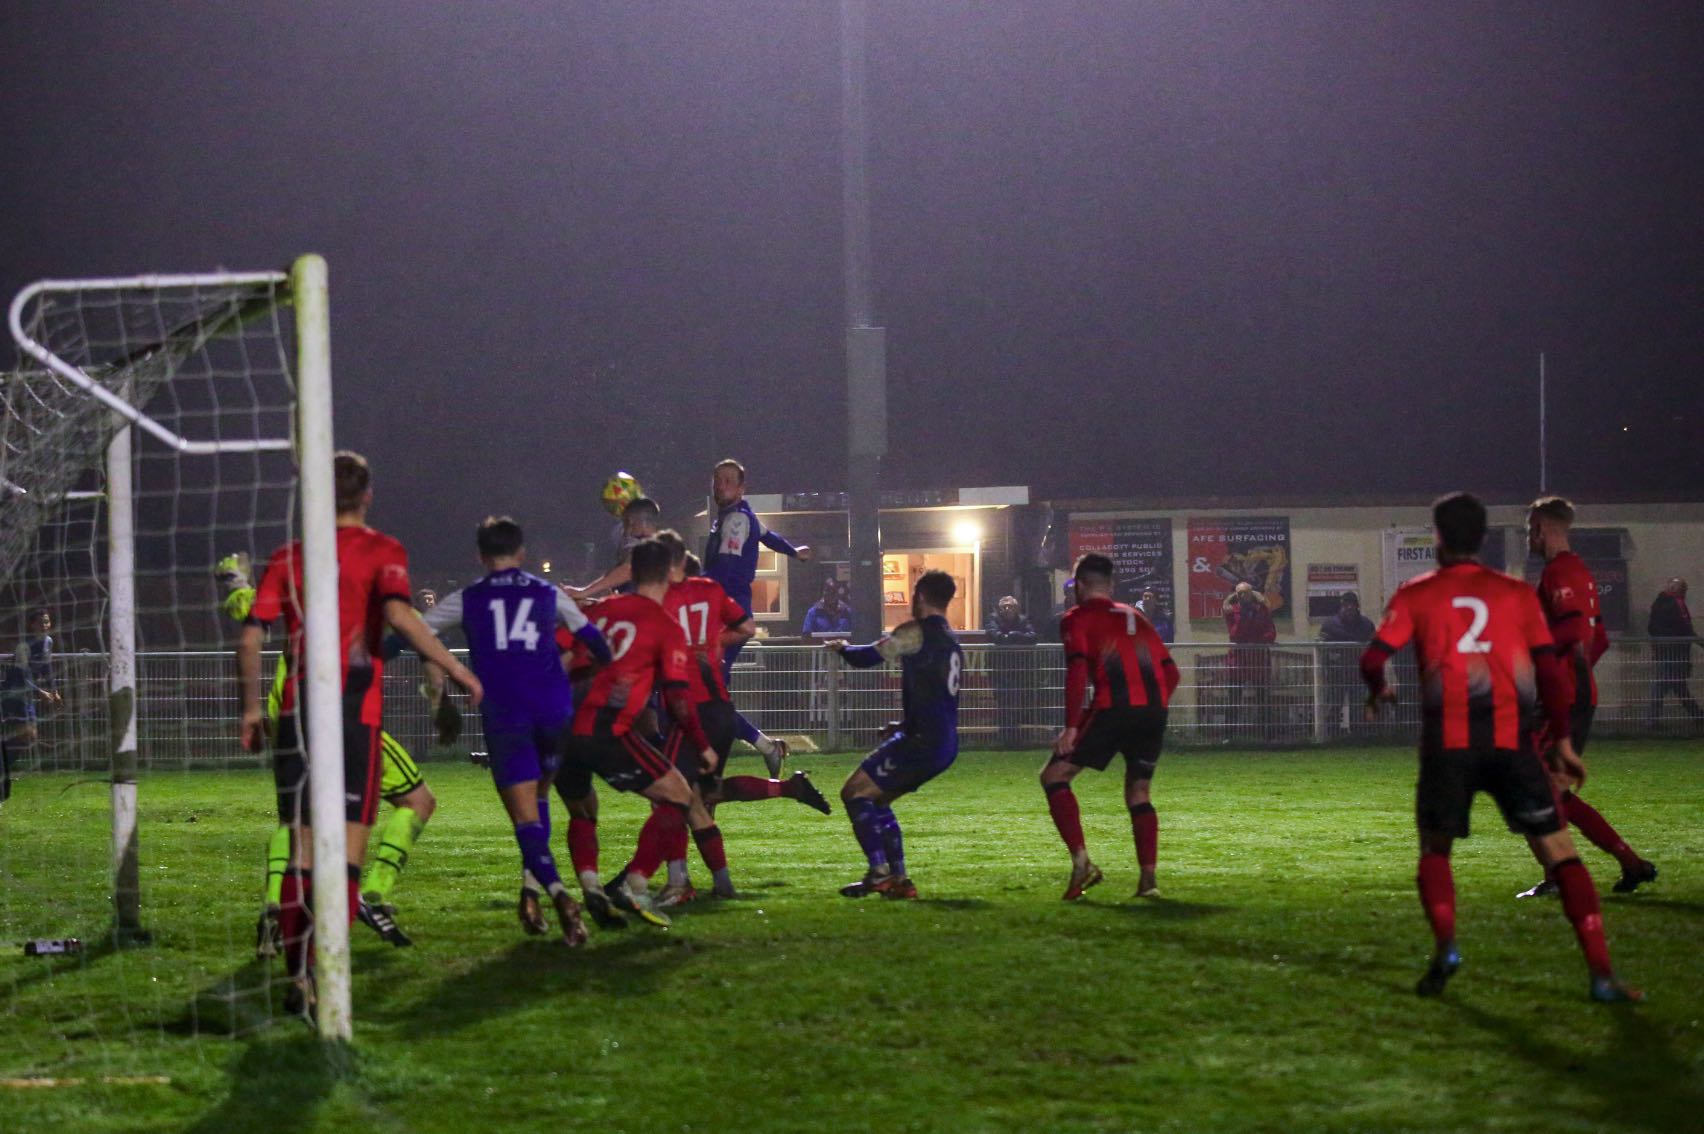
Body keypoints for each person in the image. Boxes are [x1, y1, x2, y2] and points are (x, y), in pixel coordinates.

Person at [1360, 491, 1640, 1003]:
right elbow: (1553, 672)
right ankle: (1601, 973)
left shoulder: (1417, 592)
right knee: (1560, 851)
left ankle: (1446, 945)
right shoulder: (1516, 594)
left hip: (1448, 743)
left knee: (1435, 848)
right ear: (1484, 539)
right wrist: (1561, 739)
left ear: (1439, 538)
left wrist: (1380, 690)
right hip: (1513, 740)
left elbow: (1374, 656)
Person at [238, 451, 483, 1019]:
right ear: (368, 495)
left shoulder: (289, 556)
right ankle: (328, 974)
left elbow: (250, 639)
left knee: (301, 853)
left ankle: (297, 974)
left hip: (298, 712)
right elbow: (401, 617)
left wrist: (252, 711)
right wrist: (458, 670)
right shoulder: (381, 551)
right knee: (346, 858)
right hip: (352, 712)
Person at [216, 552, 443, 957]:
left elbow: (246, 611)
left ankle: (275, 905)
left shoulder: (295, 584)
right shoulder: (367, 587)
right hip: (340, 713)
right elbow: (415, 632)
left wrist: (235, 583)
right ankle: (374, 892)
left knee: (297, 819)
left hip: (285, 709)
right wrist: (439, 691)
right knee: (418, 800)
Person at [418, 516, 611, 945]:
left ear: (480, 556)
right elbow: (598, 645)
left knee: (525, 816)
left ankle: (559, 895)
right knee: (540, 796)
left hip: (506, 713)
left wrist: (440, 680)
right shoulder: (548, 592)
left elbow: (418, 630)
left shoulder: (469, 597)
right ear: (521, 554)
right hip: (552, 711)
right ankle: (528, 891)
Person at [622, 531, 831, 907]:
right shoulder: (711, 590)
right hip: (721, 708)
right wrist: (716, 642)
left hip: (691, 709)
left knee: (672, 798)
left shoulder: (663, 600)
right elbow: (747, 627)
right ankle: (723, 880)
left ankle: (673, 881)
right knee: (704, 796)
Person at [555, 537, 726, 929]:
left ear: (630, 573)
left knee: (584, 811)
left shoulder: (601, 610)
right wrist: (702, 745)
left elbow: (561, 652)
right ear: (670, 572)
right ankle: (634, 884)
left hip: (565, 726)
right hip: (607, 729)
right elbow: (679, 698)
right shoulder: (664, 626)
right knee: (680, 797)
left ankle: (592, 886)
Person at [1514, 498, 1657, 899]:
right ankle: (1630, 864)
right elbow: (1600, 637)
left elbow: (1575, 632)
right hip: (1572, 695)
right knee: (1550, 793)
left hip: (1562, 701)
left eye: (1530, 530)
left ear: (1543, 528)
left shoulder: (1561, 572)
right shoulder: (1575, 571)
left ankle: (1561, 876)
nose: (1529, 537)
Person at [1042, 554, 1181, 901]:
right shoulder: (1137, 616)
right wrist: (1152, 705)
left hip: (1113, 708)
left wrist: (1072, 727)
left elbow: (1076, 672)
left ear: (1081, 586)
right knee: (1139, 792)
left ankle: (1082, 863)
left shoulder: (1076, 618)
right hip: (1153, 711)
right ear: (1112, 585)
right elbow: (1171, 672)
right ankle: (1148, 880)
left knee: (1054, 776)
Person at [825, 569, 962, 900]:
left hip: (922, 742)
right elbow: (940, 695)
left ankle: (880, 873)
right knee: (879, 798)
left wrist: (842, 648)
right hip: (942, 742)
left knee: (854, 793)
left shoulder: (916, 632)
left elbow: (869, 655)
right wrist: (904, 725)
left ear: (920, 597)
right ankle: (900, 880)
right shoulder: (951, 639)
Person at [703, 459, 812, 775]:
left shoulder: (735, 521)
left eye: (727, 480)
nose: (720, 484)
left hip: (727, 614)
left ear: (740, 488)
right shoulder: (739, 516)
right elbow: (768, 535)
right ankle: (765, 746)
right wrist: (794, 551)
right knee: (709, 693)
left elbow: (725, 570)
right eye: (717, 478)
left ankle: (713, 759)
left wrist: (692, 585)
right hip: (729, 612)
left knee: (707, 695)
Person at [568, 496, 661, 601]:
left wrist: (584, 592)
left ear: (631, 522)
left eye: (626, 525)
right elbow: (618, 571)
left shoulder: (649, 548)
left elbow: (627, 569)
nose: (626, 532)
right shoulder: (665, 547)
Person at [1646, 577, 1704, 728]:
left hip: (1663, 650)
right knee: (1665, 686)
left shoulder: (1658, 603)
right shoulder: (1677, 603)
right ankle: (1652, 721)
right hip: (1676, 652)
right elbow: (1685, 629)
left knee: (1676, 685)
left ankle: (1697, 715)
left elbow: (1652, 628)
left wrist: (1657, 646)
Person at [1222, 582, 1276, 740]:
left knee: (1263, 698)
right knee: (1234, 698)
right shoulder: (1232, 612)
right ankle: (1229, 736)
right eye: (1239, 594)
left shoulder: (1262, 610)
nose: (1242, 596)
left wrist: (1257, 641)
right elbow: (1235, 634)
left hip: (1258, 660)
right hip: (1238, 662)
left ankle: (1267, 735)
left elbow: (1271, 632)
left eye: (1245, 593)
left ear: (1252, 594)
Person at [1318, 592, 1377, 736]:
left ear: (1357, 606)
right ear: (1341, 606)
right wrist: (1324, 670)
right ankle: (1332, 736)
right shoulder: (1330, 625)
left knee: (1358, 706)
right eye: (1345, 605)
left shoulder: (1367, 624)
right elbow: (1322, 649)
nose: (1349, 608)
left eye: (1352, 604)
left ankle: (1358, 736)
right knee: (1333, 706)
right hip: (1336, 673)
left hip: (1358, 673)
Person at [985, 595, 1037, 747]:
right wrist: (1016, 638)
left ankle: (1015, 736)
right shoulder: (993, 619)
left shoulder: (1023, 620)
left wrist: (1014, 636)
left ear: (1017, 608)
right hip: (1000, 668)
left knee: (1017, 701)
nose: (1007, 609)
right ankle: (1005, 736)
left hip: (1019, 668)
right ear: (999, 609)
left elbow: (1033, 637)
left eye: (1010, 606)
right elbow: (995, 636)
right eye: (1004, 607)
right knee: (1003, 701)